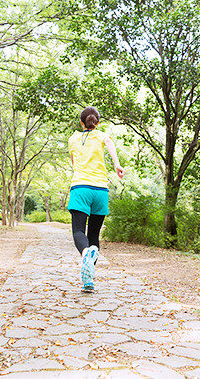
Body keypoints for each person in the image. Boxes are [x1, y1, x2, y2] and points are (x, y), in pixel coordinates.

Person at [67, 106, 125, 292]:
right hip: (101, 191)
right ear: (98, 123)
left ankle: (85, 254)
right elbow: (109, 141)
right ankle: (88, 281)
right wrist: (117, 165)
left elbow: (74, 162)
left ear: (81, 122)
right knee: (94, 236)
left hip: (81, 188)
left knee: (78, 232)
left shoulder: (73, 138)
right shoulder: (101, 136)